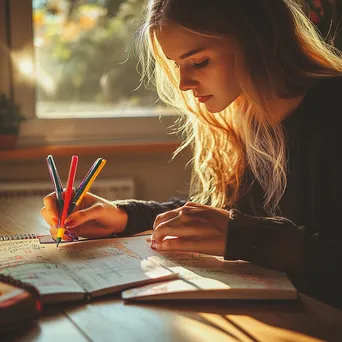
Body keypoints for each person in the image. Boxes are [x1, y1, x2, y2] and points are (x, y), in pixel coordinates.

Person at [41, 0, 342, 309]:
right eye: (176, 65)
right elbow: (218, 213)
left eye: (199, 62)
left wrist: (241, 235)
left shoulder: (333, 113)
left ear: (258, 39)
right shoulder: (249, 116)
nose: (183, 84)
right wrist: (124, 216)